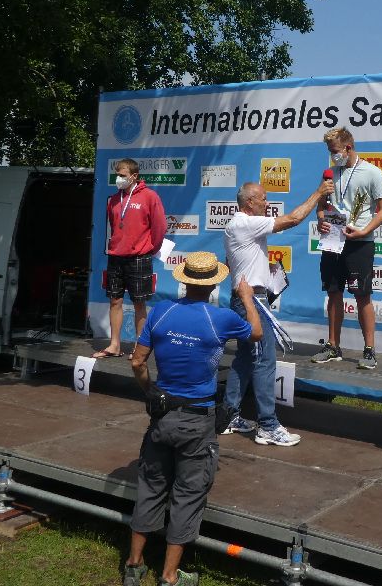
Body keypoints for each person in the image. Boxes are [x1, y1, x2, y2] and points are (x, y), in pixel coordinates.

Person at [123, 251, 262, 586]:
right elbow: (256, 333)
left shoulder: (161, 311)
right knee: (188, 494)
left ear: (184, 281)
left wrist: (151, 391)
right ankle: (169, 576)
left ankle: (133, 564)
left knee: (151, 488)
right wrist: (247, 297)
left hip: (162, 416)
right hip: (198, 420)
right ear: (213, 284)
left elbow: (137, 362)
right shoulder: (222, 318)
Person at [221, 176, 334, 446]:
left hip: (245, 298)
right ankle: (268, 426)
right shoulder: (246, 223)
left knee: (245, 359)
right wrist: (318, 192)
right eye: (263, 199)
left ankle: (228, 416)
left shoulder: (236, 225)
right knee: (264, 361)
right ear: (249, 203)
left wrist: (262, 270)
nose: (267, 202)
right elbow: (294, 218)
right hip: (252, 302)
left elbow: (233, 261)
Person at [312, 127, 382, 369]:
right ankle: (333, 346)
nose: (332, 155)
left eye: (335, 151)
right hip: (332, 242)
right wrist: (321, 220)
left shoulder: (372, 172)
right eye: (329, 151)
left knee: (362, 295)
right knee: (333, 293)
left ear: (348, 147)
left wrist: (365, 230)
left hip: (359, 243)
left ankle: (369, 350)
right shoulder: (329, 174)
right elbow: (321, 206)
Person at [96, 158, 166, 360]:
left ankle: (139, 346)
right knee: (114, 300)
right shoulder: (114, 199)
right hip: (116, 256)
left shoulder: (149, 196)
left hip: (138, 257)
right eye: (117, 175)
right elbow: (114, 225)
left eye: (122, 175)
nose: (118, 178)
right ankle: (114, 345)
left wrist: (149, 249)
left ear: (134, 176)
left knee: (139, 303)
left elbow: (159, 227)